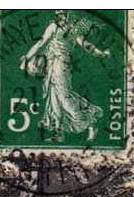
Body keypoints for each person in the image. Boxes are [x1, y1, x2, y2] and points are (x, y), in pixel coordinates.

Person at [21, 10, 108, 143]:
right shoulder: (53, 26)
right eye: (58, 13)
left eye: (63, 12)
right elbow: (41, 43)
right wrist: (27, 58)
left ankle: (90, 124)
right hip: (50, 65)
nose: (60, 15)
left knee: (64, 97)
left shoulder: (74, 29)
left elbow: (85, 44)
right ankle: (59, 132)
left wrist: (100, 53)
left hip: (62, 65)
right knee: (53, 97)